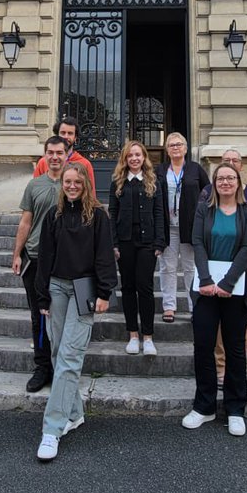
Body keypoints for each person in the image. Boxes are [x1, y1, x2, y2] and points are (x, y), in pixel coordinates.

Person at [34, 163, 117, 461]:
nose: (71, 186)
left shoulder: (97, 216)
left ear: (86, 184)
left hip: (84, 290)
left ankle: (52, 430)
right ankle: (75, 413)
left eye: (76, 182)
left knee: (70, 356)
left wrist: (105, 292)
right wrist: (41, 297)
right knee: (58, 353)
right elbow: (44, 257)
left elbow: (104, 255)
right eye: (67, 182)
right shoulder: (53, 216)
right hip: (56, 288)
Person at [182, 162, 247, 437]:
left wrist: (227, 283)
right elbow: (197, 243)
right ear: (214, 184)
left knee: (235, 348)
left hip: (235, 289)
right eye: (220, 178)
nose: (225, 182)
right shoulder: (205, 209)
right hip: (206, 288)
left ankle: (235, 408)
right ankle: (204, 406)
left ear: (238, 182)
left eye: (230, 178)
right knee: (203, 346)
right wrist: (205, 280)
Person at [200, 146, 247, 386]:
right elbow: (200, 234)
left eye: (234, 162)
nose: (227, 179)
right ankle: (221, 366)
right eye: (226, 162)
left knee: (241, 317)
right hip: (214, 265)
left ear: (240, 169)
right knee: (217, 323)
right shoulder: (208, 194)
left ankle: (240, 360)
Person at [12, 136, 68, 393]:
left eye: (59, 152)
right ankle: (42, 366)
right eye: (50, 152)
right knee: (39, 317)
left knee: (62, 318)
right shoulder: (34, 185)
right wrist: (16, 254)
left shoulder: (74, 183)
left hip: (64, 262)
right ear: (45, 155)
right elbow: (25, 222)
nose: (55, 157)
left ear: (67, 154)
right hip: (34, 259)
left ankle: (61, 366)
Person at [108, 140, 166, 356]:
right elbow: (112, 214)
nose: (134, 158)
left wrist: (160, 242)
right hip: (124, 242)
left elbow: (159, 212)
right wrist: (113, 243)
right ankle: (133, 334)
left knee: (145, 288)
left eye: (138, 155)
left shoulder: (153, 181)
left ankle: (148, 336)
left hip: (147, 243)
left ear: (144, 158)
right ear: (125, 159)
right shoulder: (118, 182)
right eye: (130, 155)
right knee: (128, 288)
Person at [155, 133, 209, 322]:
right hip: (167, 227)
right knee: (167, 268)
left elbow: (208, 194)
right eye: (171, 145)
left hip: (190, 227)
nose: (175, 147)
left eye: (179, 144)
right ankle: (169, 306)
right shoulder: (160, 170)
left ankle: (194, 306)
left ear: (185, 148)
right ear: (167, 149)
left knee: (190, 268)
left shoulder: (196, 169)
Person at [33, 117, 96, 194]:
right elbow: (35, 191)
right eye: (63, 133)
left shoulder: (85, 164)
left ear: (75, 138)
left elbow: (91, 193)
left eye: (70, 133)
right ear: (57, 135)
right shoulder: (43, 162)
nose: (66, 136)